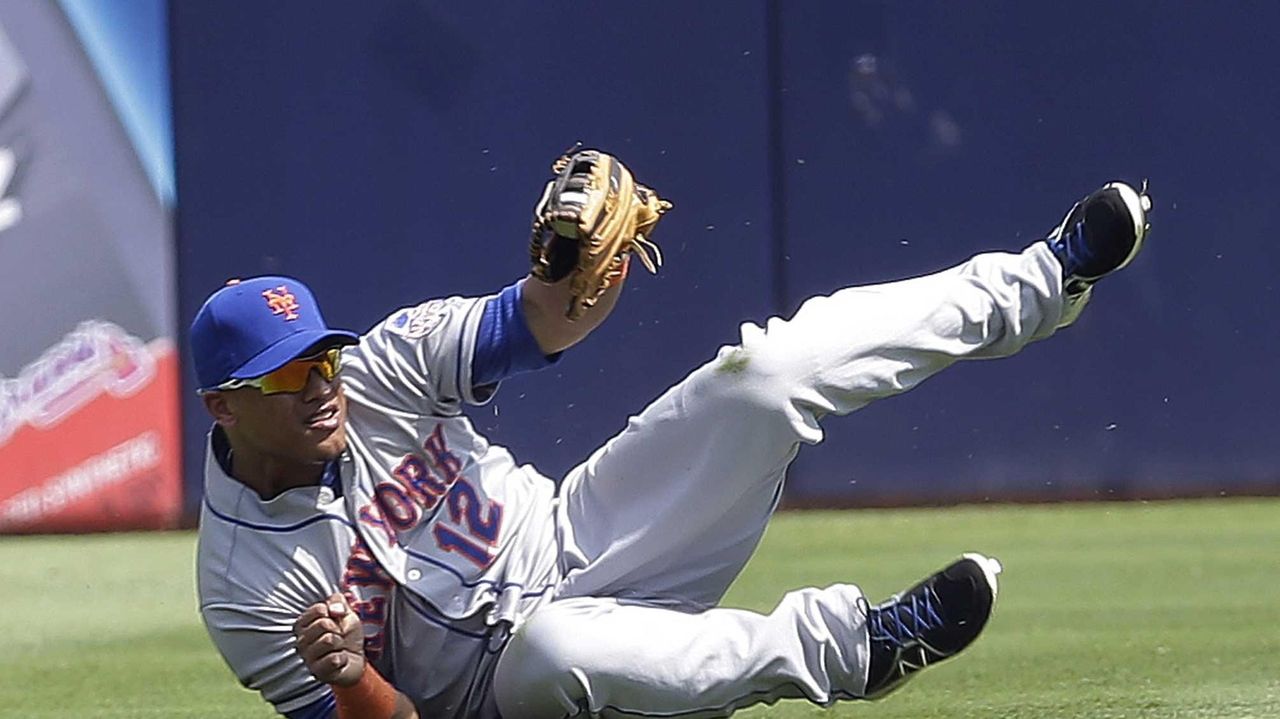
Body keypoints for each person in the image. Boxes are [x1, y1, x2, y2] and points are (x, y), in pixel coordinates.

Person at [193, 167, 1151, 719]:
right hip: (509, 695)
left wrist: (569, 267)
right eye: (285, 375)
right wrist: (350, 674)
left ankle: (1042, 280)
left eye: (321, 357)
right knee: (552, 647)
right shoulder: (243, 585)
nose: (321, 385)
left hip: (584, 534)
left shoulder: (380, 368)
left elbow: (540, 324)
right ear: (223, 407)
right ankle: (859, 648)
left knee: (765, 376)